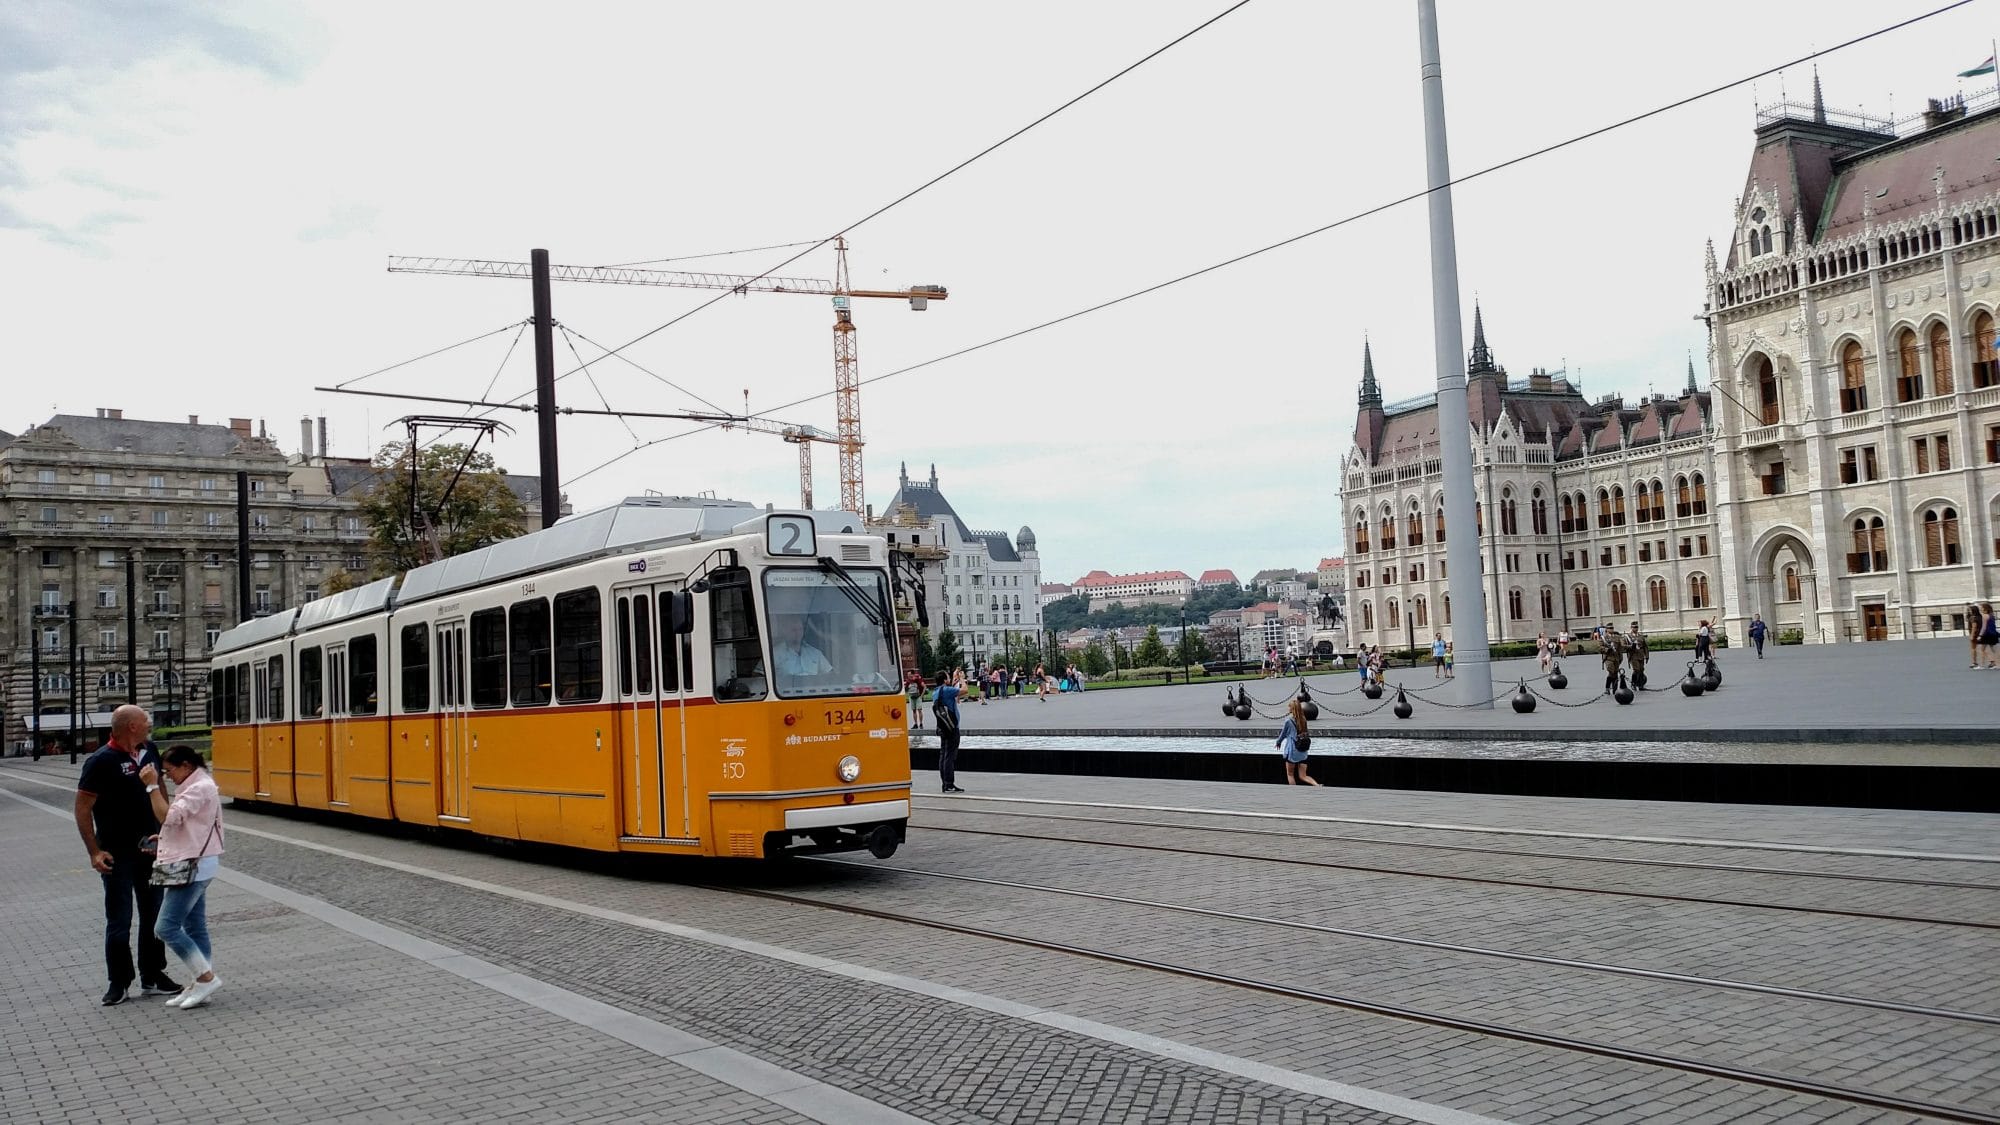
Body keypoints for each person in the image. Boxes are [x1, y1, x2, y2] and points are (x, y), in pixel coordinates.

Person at [73, 704, 178, 1006]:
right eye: (146, 721)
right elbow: (82, 809)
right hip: (116, 853)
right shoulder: (100, 761)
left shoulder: (150, 750)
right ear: (131, 726)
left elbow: (160, 790)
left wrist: (167, 830)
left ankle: (153, 974)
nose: (150, 725)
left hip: (151, 847)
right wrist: (94, 851)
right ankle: (118, 981)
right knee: (119, 919)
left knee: (155, 915)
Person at [140, 745, 224, 1010]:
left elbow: (168, 816)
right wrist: (163, 837)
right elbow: (187, 824)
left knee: (165, 928)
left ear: (186, 765)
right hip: (198, 862)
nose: (167, 776)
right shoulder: (196, 783)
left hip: (193, 867)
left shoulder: (199, 787)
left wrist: (152, 787)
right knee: (195, 926)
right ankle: (200, 984)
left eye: (170, 770)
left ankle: (205, 978)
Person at [932, 670, 965, 793]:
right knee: (950, 756)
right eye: (948, 677)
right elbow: (965, 691)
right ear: (945, 680)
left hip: (942, 727)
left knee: (944, 754)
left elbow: (948, 691)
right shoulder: (947, 690)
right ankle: (949, 783)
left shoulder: (936, 692)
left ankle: (944, 782)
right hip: (952, 727)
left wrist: (954, 679)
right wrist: (961, 679)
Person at [1276, 696, 1318, 786]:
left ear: (1292, 709)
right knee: (1303, 776)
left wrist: (1278, 742)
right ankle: (1317, 785)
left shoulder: (1288, 721)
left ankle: (1293, 792)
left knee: (1290, 774)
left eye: (1289, 707)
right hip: (1303, 751)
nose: (1288, 708)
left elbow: (1283, 734)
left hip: (1293, 751)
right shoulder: (1303, 719)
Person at [1600, 628, 1626, 694]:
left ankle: (1615, 689)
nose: (1611, 630)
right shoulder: (1603, 638)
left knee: (1615, 673)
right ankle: (1607, 688)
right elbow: (1600, 647)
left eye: (1612, 628)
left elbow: (1620, 648)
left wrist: (1621, 658)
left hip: (1616, 658)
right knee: (1611, 672)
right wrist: (1607, 649)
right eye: (1610, 628)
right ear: (1607, 629)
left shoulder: (1617, 637)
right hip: (1608, 658)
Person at [1980, 603, 2000, 669]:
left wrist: (1980, 635)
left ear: (1985, 609)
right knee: (1994, 650)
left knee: (1982, 649)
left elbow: (1984, 627)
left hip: (1987, 634)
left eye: (1982, 608)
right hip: (1993, 633)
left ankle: (1983, 664)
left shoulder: (1984, 616)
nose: (1981, 609)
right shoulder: (1991, 615)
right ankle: (1996, 663)